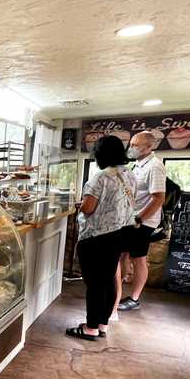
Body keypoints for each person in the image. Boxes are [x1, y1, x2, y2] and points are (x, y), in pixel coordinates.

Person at [67, 135, 136, 341]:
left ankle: (90, 328)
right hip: (120, 233)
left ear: (99, 154)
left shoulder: (100, 177)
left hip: (98, 237)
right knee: (108, 281)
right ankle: (102, 324)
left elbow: (89, 208)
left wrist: (79, 204)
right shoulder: (129, 174)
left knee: (95, 284)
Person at [117, 130, 167, 311]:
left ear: (149, 146)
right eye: (130, 144)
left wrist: (139, 218)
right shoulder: (138, 165)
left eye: (135, 145)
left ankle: (134, 298)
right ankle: (117, 290)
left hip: (142, 222)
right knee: (122, 254)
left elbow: (159, 198)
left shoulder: (155, 166)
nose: (131, 148)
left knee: (139, 258)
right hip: (129, 219)